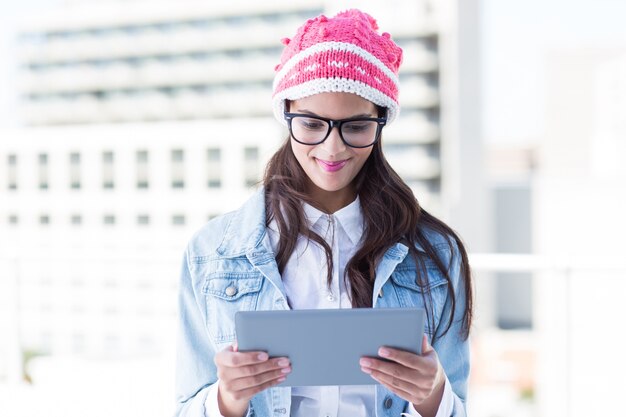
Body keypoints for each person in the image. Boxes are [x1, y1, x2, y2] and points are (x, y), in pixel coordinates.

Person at [174, 9, 473, 417]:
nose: (332, 150)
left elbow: (457, 405)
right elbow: (186, 406)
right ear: (286, 114)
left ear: (381, 122)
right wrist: (227, 400)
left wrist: (432, 393)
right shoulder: (212, 252)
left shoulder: (436, 252)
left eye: (355, 127)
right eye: (312, 124)